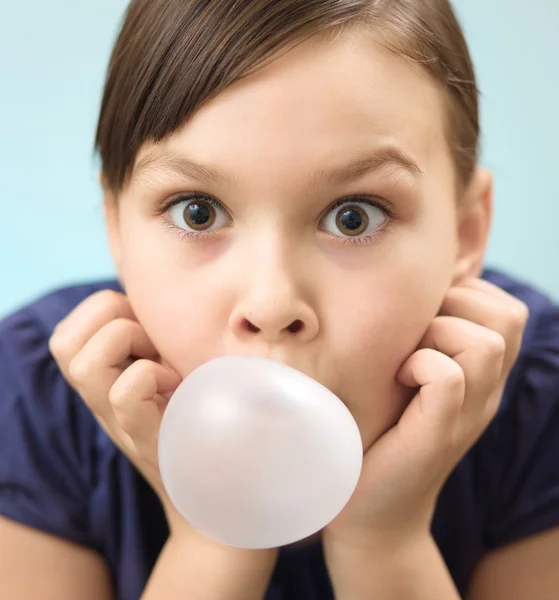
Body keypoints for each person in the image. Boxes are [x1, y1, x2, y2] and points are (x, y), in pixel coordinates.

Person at [1, 0, 558, 598]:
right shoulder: (33, 400)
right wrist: (212, 537)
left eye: (353, 217)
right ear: (115, 227)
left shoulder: (539, 402)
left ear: (466, 230)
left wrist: (385, 545)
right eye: (199, 211)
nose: (271, 305)